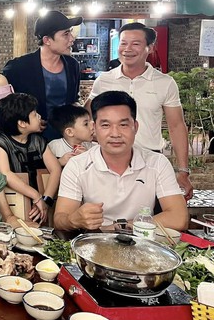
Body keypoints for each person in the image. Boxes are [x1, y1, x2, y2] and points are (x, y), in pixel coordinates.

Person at [85, 22, 192, 199]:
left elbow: (176, 126)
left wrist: (183, 171)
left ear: (150, 48)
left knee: (149, 212)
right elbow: (87, 118)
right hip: (108, 160)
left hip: (149, 161)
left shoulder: (165, 83)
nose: (127, 49)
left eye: (135, 43)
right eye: (123, 43)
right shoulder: (104, 81)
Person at [54, 91, 189, 231]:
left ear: (135, 127)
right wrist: (73, 220)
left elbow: (179, 218)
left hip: (142, 240)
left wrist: (120, 227)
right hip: (95, 241)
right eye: (105, 125)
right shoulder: (77, 165)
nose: (115, 134)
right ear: (94, 128)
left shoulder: (157, 163)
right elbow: (60, 219)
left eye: (123, 125)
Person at [3, 10, 82, 140]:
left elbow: (74, 99)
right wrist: (28, 121)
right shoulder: (18, 67)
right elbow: (6, 105)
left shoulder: (72, 65)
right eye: (66, 34)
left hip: (66, 139)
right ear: (47, 40)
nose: (72, 39)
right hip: (31, 141)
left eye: (71, 32)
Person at [0, 93, 62, 225]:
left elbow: (55, 169)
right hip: (15, 201)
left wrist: (46, 199)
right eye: (35, 114)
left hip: (43, 200)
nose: (39, 116)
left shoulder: (38, 140)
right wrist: (36, 196)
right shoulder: (1, 142)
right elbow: (5, 174)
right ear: (22, 123)